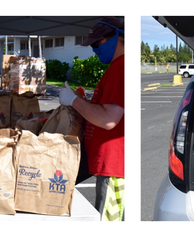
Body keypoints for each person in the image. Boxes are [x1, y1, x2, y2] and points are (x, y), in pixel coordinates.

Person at [58, 16, 125, 221]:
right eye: (92, 45)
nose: (95, 49)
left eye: (98, 43)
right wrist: (84, 102)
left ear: (118, 36)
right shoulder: (116, 67)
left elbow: (109, 120)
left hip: (114, 167)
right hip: (109, 165)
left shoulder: (121, 68)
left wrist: (73, 102)